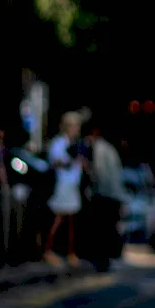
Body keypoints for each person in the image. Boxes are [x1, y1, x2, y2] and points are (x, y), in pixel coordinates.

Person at [84, 119, 127, 271]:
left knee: (103, 229)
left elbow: (99, 173)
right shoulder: (108, 148)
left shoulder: (99, 148)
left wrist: (92, 191)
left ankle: (103, 260)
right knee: (110, 228)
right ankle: (107, 258)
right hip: (113, 195)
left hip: (105, 195)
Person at [43, 112, 84, 267]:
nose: (77, 129)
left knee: (71, 221)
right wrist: (71, 160)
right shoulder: (59, 143)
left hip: (72, 184)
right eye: (75, 126)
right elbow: (56, 162)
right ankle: (48, 250)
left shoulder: (75, 143)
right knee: (58, 218)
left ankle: (70, 253)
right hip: (62, 184)